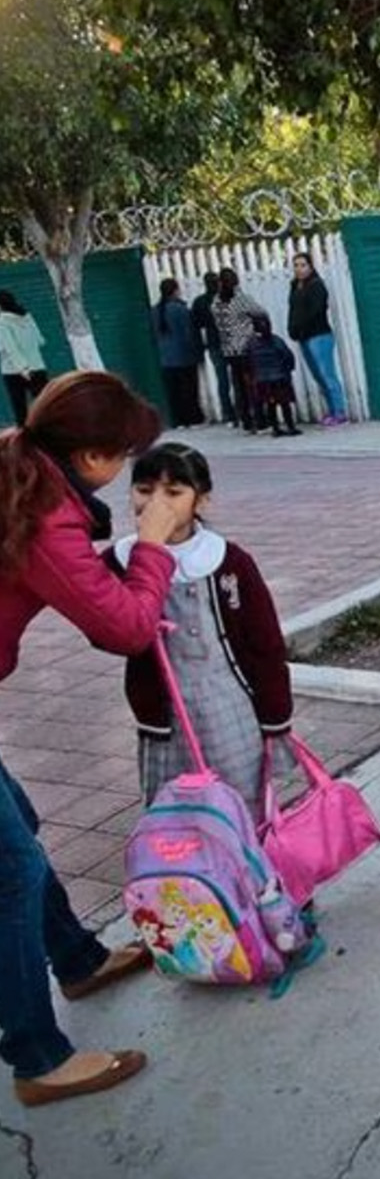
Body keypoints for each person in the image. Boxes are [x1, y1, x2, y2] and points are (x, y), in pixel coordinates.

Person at [0, 371, 193, 1106]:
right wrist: (150, 542)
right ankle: (37, 1056)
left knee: (17, 827)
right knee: (10, 868)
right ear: (91, 459)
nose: (129, 479)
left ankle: (76, 959)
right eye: (125, 459)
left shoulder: (17, 461)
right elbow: (125, 626)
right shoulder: (49, 510)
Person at [110, 443, 291, 822]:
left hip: (230, 704)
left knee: (242, 801)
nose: (156, 504)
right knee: (177, 807)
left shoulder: (229, 560)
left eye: (173, 493)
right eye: (144, 490)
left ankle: (249, 874)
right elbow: (105, 629)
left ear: (201, 501)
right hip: (166, 714)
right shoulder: (118, 562)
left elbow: (266, 643)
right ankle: (185, 878)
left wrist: (275, 715)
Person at [288, 252, 349, 427]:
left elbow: (316, 311)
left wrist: (302, 326)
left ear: (311, 266)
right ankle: (331, 410)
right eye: (296, 265)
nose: (299, 269)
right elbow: (293, 310)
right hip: (303, 336)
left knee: (327, 374)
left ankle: (339, 412)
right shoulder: (294, 286)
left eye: (303, 265)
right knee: (318, 375)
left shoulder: (316, 286)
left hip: (319, 335)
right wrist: (293, 328)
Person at [209, 268, 267, 434]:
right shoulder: (240, 299)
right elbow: (260, 311)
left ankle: (246, 421)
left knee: (239, 385)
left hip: (229, 349)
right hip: (246, 346)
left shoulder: (216, 303)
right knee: (252, 384)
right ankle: (260, 420)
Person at [152, 278, 205, 428]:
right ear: (175, 290)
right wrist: (197, 352)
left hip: (166, 358)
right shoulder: (181, 310)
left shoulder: (155, 311)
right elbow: (190, 333)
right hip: (184, 356)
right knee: (189, 389)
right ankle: (193, 418)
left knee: (173, 392)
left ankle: (178, 419)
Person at [244, 314, 303, 439]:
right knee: (284, 404)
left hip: (262, 380)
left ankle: (275, 428)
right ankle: (290, 427)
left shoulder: (251, 344)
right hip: (280, 378)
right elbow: (287, 356)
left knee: (270, 405)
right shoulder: (276, 340)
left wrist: (253, 377)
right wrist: (289, 370)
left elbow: (248, 362)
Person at [0, 291, 49, 428]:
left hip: (14, 370)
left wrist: (23, 368)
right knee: (47, 405)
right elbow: (40, 340)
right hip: (38, 366)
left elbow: (11, 348)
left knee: (20, 409)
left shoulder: (1, 321)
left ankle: (25, 443)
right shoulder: (27, 316)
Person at [191, 272, 234, 423]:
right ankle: (242, 409)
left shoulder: (200, 302)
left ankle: (227, 412)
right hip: (231, 341)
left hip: (213, 343)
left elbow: (196, 325)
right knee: (237, 377)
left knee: (222, 379)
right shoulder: (226, 299)